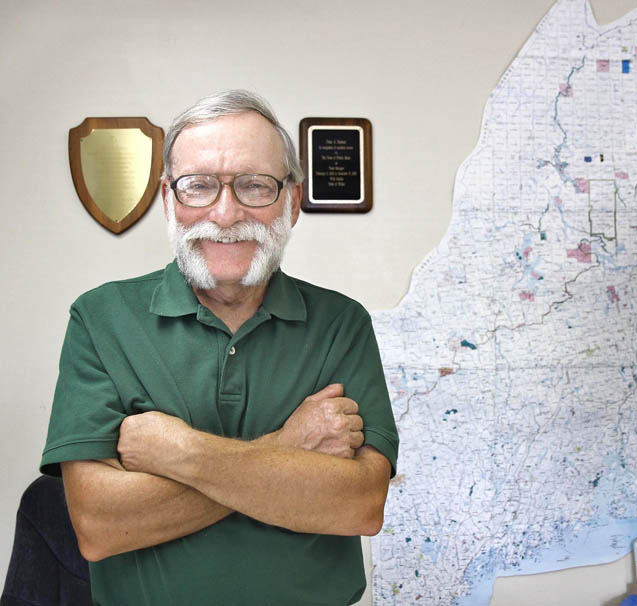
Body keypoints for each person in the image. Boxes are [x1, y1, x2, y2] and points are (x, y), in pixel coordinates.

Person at [40, 90, 399, 606]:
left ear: (292, 203)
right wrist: (288, 448)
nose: (226, 214)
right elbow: (99, 526)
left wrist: (180, 452)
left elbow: (360, 506)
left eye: (255, 185)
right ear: (168, 198)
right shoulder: (100, 319)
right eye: (199, 187)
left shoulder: (343, 324)